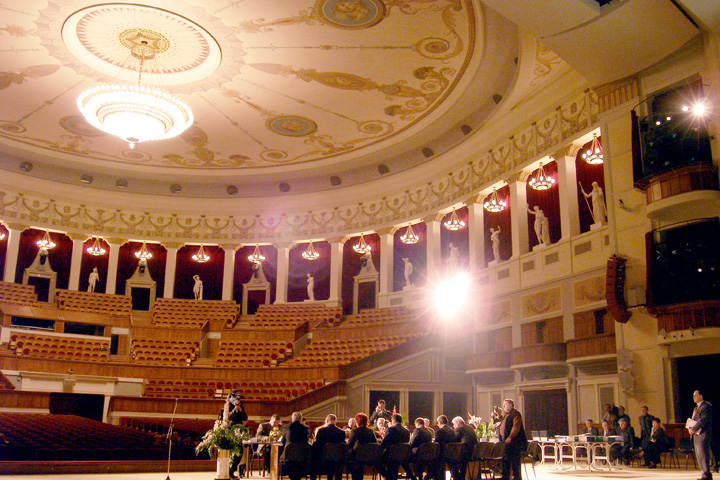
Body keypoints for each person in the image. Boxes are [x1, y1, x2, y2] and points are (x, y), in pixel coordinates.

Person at [219, 392, 248, 478]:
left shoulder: (241, 406)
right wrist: (235, 409)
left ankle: (232, 470)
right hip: (229, 430)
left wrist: (240, 410)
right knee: (230, 452)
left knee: (240, 452)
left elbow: (245, 417)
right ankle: (228, 472)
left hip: (238, 430)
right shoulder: (228, 406)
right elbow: (228, 418)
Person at [497, 399, 527, 480]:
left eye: (505, 404)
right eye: (503, 405)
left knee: (515, 462)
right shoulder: (507, 415)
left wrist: (510, 437)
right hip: (506, 443)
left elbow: (516, 427)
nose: (504, 407)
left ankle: (516, 477)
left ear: (511, 405)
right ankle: (506, 476)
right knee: (506, 460)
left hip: (514, 443)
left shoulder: (515, 414)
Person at [310, 414, 346, 480]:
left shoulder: (321, 431)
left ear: (326, 420)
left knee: (312, 459)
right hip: (338, 458)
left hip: (324, 458)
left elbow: (317, 445)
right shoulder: (341, 432)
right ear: (335, 422)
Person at [689, 389, 714, 480]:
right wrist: (690, 428)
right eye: (693, 396)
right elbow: (694, 420)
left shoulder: (705, 407)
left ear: (701, 396)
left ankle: (706, 475)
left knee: (703, 455)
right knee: (699, 456)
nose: (694, 397)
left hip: (702, 434)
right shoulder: (696, 408)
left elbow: (703, 420)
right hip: (696, 435)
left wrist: (694, 429)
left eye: (695, 395)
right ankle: (704, 473)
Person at [378, 413, 410, 480]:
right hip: (402, 455)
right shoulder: (407, 431)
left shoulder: (391, 429)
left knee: (376, 461)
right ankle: (390, 476)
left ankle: (387, 476)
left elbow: (384, 443)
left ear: (393, 420)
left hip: (390, 456)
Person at [279, 412, 310, 480]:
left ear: (292, 419)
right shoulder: (305, 428)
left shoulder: (286, 426)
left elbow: (283, 441)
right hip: (302, 455)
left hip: (289, 455)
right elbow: (306, 441)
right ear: (301, 419)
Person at [347, 413, 378, 480]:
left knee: (349, 458)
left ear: (357, 421)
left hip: (357, 458)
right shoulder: (370, 431)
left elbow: (349, 445)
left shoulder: (354, 431)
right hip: (369, 457)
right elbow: (375, 443)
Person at [433, 415, 455, 480]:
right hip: (452, 454)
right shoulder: (452, 431)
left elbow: (436, 444)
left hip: (442, 454)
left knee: (432, 460)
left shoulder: (440, 431)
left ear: (439, 423)